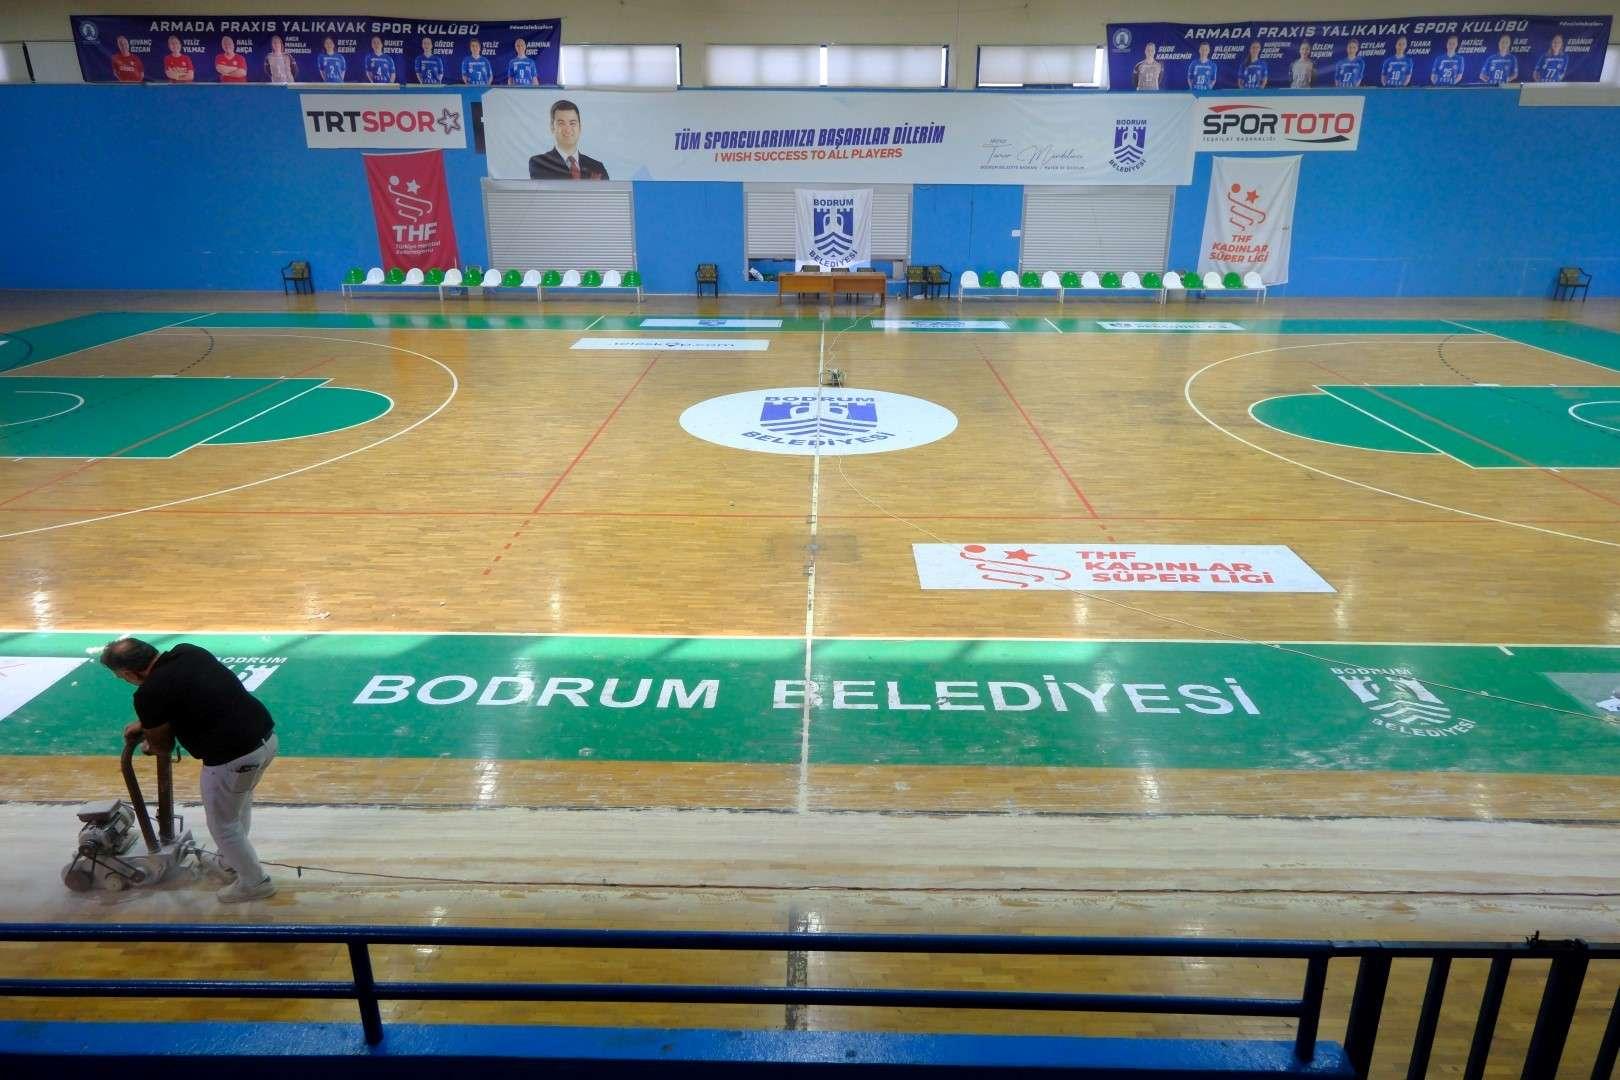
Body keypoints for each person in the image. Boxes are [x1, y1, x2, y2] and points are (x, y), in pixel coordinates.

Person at [101, 638, 278, 903]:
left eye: (121, 677)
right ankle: (230, 864)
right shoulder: (189, 652)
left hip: (233, 758)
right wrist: (148, 722)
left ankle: (255, 882)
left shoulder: (149, 694)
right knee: (238, 807)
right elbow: (191, 695)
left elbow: (162, 746)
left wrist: (150, 739)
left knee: (223, 824)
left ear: (129, 673)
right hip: (265, 740)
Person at [528, 99, 609, 179]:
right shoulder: (540, 163)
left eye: (572, 123)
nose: (567, 129)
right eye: (561, 123)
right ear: (552, 127)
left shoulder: (597, 167)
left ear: (580, 127)